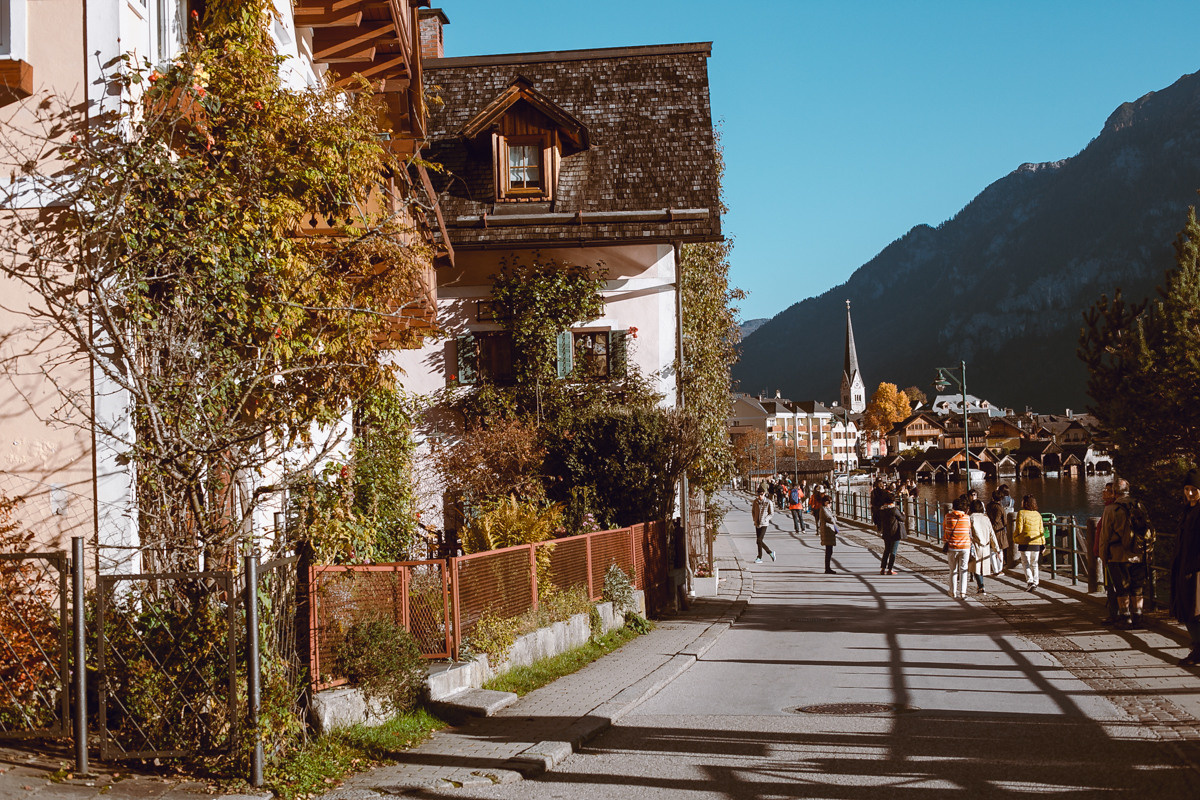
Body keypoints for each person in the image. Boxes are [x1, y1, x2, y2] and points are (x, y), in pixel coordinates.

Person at [1102, 479, 1149, 629]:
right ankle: (1139, 617)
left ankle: (1125, 618)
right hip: (1139, 553)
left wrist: (1104, 557)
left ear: (1115, 492)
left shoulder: (1111, 509)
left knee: (1122, 589)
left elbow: (1105, 536)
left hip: (1118, 555)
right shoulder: (1139, 505)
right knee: (1137, 588)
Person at [1170, 468, 1200, 666]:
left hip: (1196, 569)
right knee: (1188, 609)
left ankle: (1198, 650)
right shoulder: (1188, 510)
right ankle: (1197, 648)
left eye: (1194, 489)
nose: (1189, 493)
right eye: (1187, 489)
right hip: (1185, 567)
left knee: (1195, 610)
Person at [1097, 482, 1119, 624]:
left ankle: (1115, 615)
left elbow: (1105, 534)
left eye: (1108, 490)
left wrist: (1103, 553)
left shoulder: (1112, 509)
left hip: (1112, 554)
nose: (1104, 491)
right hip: (1108, 553)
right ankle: (1114, 613)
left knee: (1113, 585)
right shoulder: (1108, 508)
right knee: (1110, 585)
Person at [969, 499, 1002, 594]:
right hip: (986, 546)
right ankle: (980, 585)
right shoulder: (986, 518)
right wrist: (997, 549)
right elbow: (992, 534)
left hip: (975, 545)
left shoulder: (971, 518)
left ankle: (981, 586)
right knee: (981, 567)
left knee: (976, 567)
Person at [1013, 494, 1046, 591]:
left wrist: (1015, 537)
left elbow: (1019, 528)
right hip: (1036, 542)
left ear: (1025, 503)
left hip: (1025, 542)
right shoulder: (1038, 514)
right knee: (1034, 563)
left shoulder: (1021, 513)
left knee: (1025, 563)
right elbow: (1041, 531)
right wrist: (1043, 544)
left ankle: (1030, 581)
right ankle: (1036, 582)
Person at [943, 497, 972, 598]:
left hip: (952, 546)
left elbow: (945, 530)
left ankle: (952, 591)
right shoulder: (967, 518)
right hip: (965, 547)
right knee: (964, 569)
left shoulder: (948, 517)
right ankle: (963, 593)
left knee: (953, 570)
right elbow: (968, 530)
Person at [877, 492, 905, 575]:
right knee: (893, 551)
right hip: (895, 532)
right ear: (893, 501)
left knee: (886, 550)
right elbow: (902, 519)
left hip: (886, 532)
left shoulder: (882, 510)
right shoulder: (894, 510)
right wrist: (903, 514)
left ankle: (882, 569)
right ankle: (890, 569)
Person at [813, 490, 838, 574]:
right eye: (830, 502)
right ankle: (827, 568)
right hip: (827, 531)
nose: (831, 504)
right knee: (828, 551)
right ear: (826, 502)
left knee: (829, 551)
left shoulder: (825, 509)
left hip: (829, 531)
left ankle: (828, 567)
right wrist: (834, 517)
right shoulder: (824, 509)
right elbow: (831, 519)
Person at [751, 486, 776, 564]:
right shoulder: (755, 501)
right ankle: (764, 555)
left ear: (764, 494)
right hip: (757, 522)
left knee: (759, 540)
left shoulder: (768, 502)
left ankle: (761, 556)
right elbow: (753, 511)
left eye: (761, 494)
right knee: (758, 541)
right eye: (758, 494)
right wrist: (754, 519)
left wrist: (766, 519)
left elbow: (771, 513)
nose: (760, 496)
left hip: (764, 523)